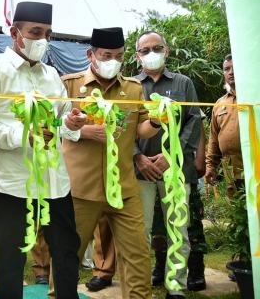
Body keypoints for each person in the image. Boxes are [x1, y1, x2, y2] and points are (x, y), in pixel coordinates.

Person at [0, 1, 87, 299]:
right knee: (11, 256)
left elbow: (63, 121)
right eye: (35, 32)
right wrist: (24, 135)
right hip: (12, 180)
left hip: (54, 179)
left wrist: (72, 122)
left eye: (47, 33)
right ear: (15, 32)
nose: (42, 40)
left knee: (66, 250)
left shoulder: (51, 75)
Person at [60, 27, 161, 299]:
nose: (112, 61)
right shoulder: (69, 86)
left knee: (137, 255)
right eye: (106, 55)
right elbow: (51, 127)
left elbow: (141, 130)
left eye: (118, 56)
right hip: (81, 189)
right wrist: (81, 131)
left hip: (124, 188)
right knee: (68, 255)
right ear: (90, 54)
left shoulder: (133, 88)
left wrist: (156, 120)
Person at [133, 31, 201, 299]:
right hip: (140, 170)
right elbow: (124, 127)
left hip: (175, 170)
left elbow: (193, 122)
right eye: (145, 50)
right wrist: (137, 156)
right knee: (140, 232)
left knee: (178, 229)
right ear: (137, 56)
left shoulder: (183, 83)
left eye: (156, 48)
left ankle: (176, 286)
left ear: (167, 50)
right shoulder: (131, 86)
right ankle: (140, 286)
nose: (151, 54)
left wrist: (171, 156)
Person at [205, 54, 243, 197]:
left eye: (234, 68)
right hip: (232, 172)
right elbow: (214, 139)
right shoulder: (220, 104)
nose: (231, 72)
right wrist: (210, 166)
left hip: (255, 167)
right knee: (237, 213)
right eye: (227, 69)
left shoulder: (255, 97)